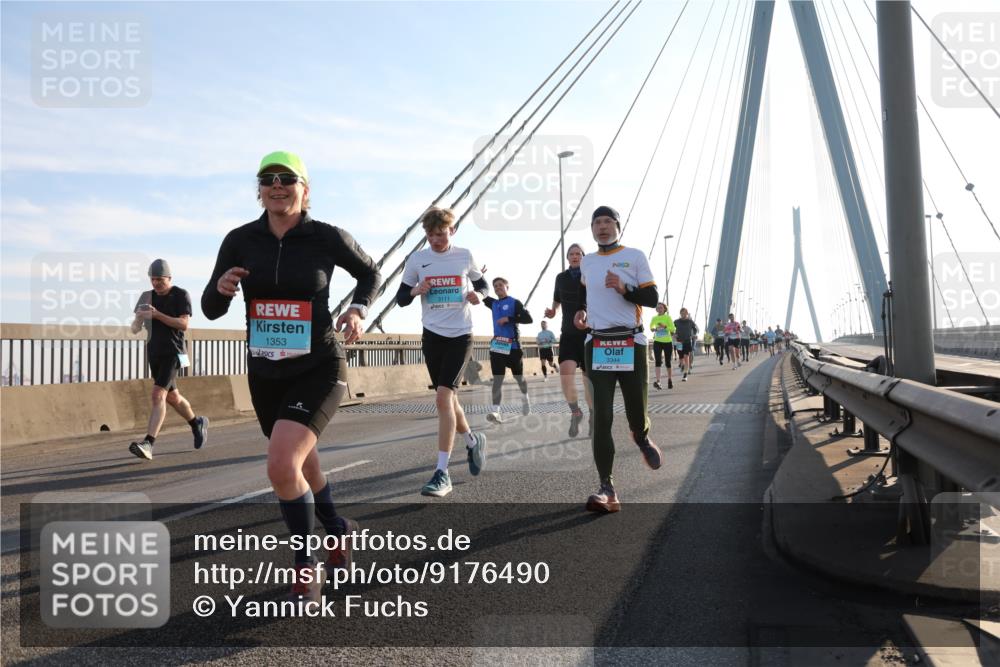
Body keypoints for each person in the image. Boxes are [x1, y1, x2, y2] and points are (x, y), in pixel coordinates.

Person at [202, 151, 380, 602]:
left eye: (287, 179)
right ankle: (338, 528)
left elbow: (370, 271)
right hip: (266, 372)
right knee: (301, 462)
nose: (276, 185)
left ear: (306, 189)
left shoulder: (326, 237)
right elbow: (209, 306)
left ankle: (306, 563)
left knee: (282, 465)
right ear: (259, 189)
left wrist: (358, 309)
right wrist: (221, 289)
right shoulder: (240, 239)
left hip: (319, 366)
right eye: (268, 179)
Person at [574, 206, 662, 514]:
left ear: (618, 226)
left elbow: (652, 300)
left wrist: (625, 289)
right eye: (597, 222)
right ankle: (606, 488)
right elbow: (589, 295)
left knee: (636, 411)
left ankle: (641, 435)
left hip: (631, 340)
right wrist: (582, 312)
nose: (602, 227)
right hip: (597, 342)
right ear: (592, 228)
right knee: (601, 417)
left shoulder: (635, 256)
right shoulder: (587, 262)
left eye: (608, 221)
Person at [397, 206, 489, 498]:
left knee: (442, 397)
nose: (435, 240)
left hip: (460, 335)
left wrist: (480, 295)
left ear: (453, 231)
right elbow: (400, 298)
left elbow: (482, 282)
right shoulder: (418, 259)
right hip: (432, 336)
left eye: (440, 234)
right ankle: (473, 442)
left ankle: (441, 472)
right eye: (430, 235)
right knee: (449, 398)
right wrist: (416, 290)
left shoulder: (464, 255)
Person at [129, 259, 208, 460]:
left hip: (174, 352)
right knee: (172, 397)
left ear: (169, 278)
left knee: (158, 395)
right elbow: (134, 329)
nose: (156, 283)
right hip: (154, 352)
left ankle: (148, 443)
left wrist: (157, 315)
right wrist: (139, 319)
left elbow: (183, 324)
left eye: (160, 279)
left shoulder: (180, 295)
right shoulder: (146, 297)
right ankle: (196, 422)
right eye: (153, 279)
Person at [545, 243, 594, 438]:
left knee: (588, 380)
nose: (575, 256)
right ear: (567, 258)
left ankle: (592, 416)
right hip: (568, 333)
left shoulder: (589, 275)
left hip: (589, 332)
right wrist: (553, 311)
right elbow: (557, 299)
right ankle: (576, 412)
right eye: (571, 254)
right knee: (566, 376)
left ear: (583, 256)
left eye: (578, 254)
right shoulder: (561, 278)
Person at [482, 277, 533, 422]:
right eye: (495, 286)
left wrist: (509, 319)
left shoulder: (514, 302)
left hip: (514, 346)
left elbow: (528, 319)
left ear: (507, 287)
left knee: (519, 378)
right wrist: (478, 275)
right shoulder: (493, 303)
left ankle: (525, 399)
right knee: (498, 379)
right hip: (498, 345)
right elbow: (481, 291)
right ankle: (496, 411)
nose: (497, 287)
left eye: (500, 285)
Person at [649, 303, 675, 390]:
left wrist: (665, 326)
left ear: (664, 309)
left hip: (667, 342)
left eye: (661, 308)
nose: (659, 309)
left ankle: (670, 379)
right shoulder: (654, 318)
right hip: (657, 341)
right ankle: (658, 382)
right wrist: (653, 328)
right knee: (658, 361)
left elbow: (673, 329)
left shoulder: (668, 318)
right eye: (658, 308)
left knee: (668, 362)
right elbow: (651, 326)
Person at [672, 307, 699, 381]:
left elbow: (695, 329)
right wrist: (673, 334)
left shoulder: (690, 321)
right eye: (682, 313)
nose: (683, 314)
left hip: (687, 341)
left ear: (687, 313)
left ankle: (685, 375)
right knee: (681, 357)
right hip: (679, 341)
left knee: (686, 357)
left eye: (685, 313)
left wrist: (694, 335)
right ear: (680, 314)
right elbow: (671, 328)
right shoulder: (676, 321)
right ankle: (682, 365)